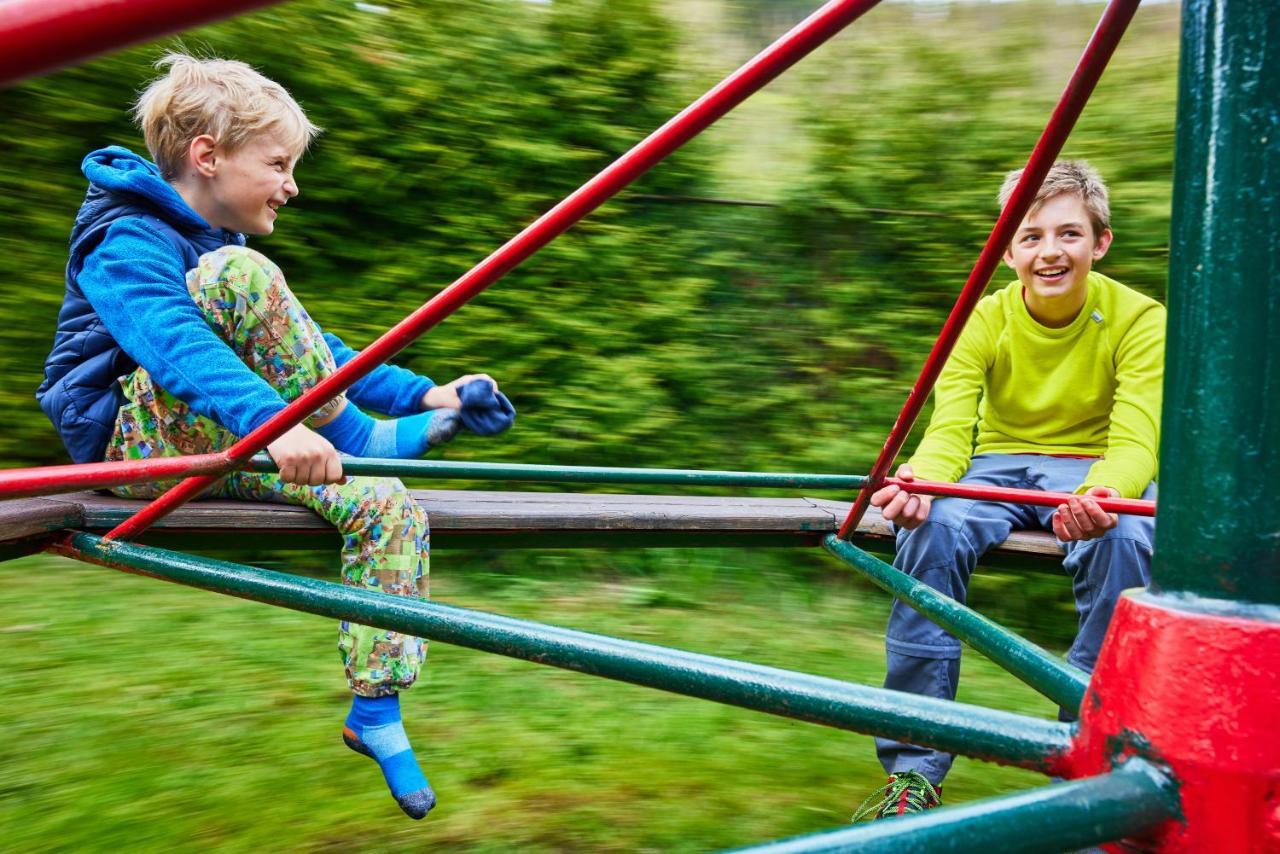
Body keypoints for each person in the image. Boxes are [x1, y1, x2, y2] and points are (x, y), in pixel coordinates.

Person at [36, 54, 515, 820]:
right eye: (278, 163)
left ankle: (376, 709)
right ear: (207, 156)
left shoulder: (225, 255)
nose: (291, 185)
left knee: (387, 508)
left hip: (218, 449)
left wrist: (430, 391)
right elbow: (168, 341)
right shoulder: (125, 238)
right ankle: (364, 436)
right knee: (242, 281)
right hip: (135, 450)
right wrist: (281, 424)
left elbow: (314, 352)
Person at [854, 161, 1164, 820]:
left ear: (1100, 242)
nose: (1049, 252)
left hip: (1090, 464)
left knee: (1131, 536)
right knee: (929, 525)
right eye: (1030, 237)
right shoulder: (985, 317)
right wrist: (919, 481)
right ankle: (914, 771)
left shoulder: (1141, 320)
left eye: (1068, 234)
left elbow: (1137, 439)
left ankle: (1085, 768)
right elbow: (949, 429)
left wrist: (1105, 493)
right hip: (998, 465)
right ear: (1006, 251)